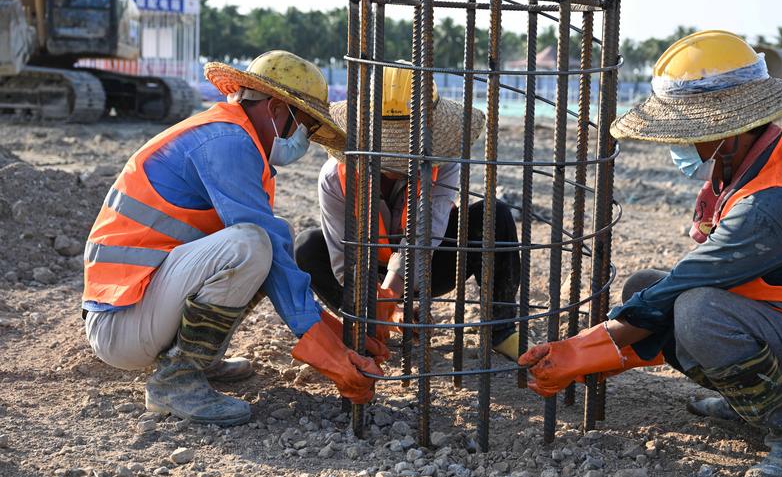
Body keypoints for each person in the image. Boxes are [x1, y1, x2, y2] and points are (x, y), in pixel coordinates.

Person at [519, 30, 782, 477]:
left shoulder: (770, 206)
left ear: (731, 132)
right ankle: (753, 402)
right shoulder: (751, 169)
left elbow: (681, 292)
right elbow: (667, 294)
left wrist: (577, 352)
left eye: (688, 135)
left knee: (697, 311)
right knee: (646, 287)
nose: (677, 148)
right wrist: (590, 350)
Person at [82, 50, 386, 427]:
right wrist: (325, 349)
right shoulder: (226, 142)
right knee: (252, 246)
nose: (303, 139)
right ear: (277, 111)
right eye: (304, 125)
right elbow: (265, 252)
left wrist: (332, 331)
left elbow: (274, 252)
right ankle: (176, 380)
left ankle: (194, 357)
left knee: (270, 240)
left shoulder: (234, 137)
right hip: (122, 322)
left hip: (140, 309)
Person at [295, 65, 525, 359]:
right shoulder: (335, 176)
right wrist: (377, 301)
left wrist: (393, 290)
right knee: (307, 246)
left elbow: (428, 230)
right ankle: (364, 326)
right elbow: (344, 260)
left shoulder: (443, 160)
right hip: (367, 275)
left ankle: (501, 330)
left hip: (429, 263)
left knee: (495, 216)